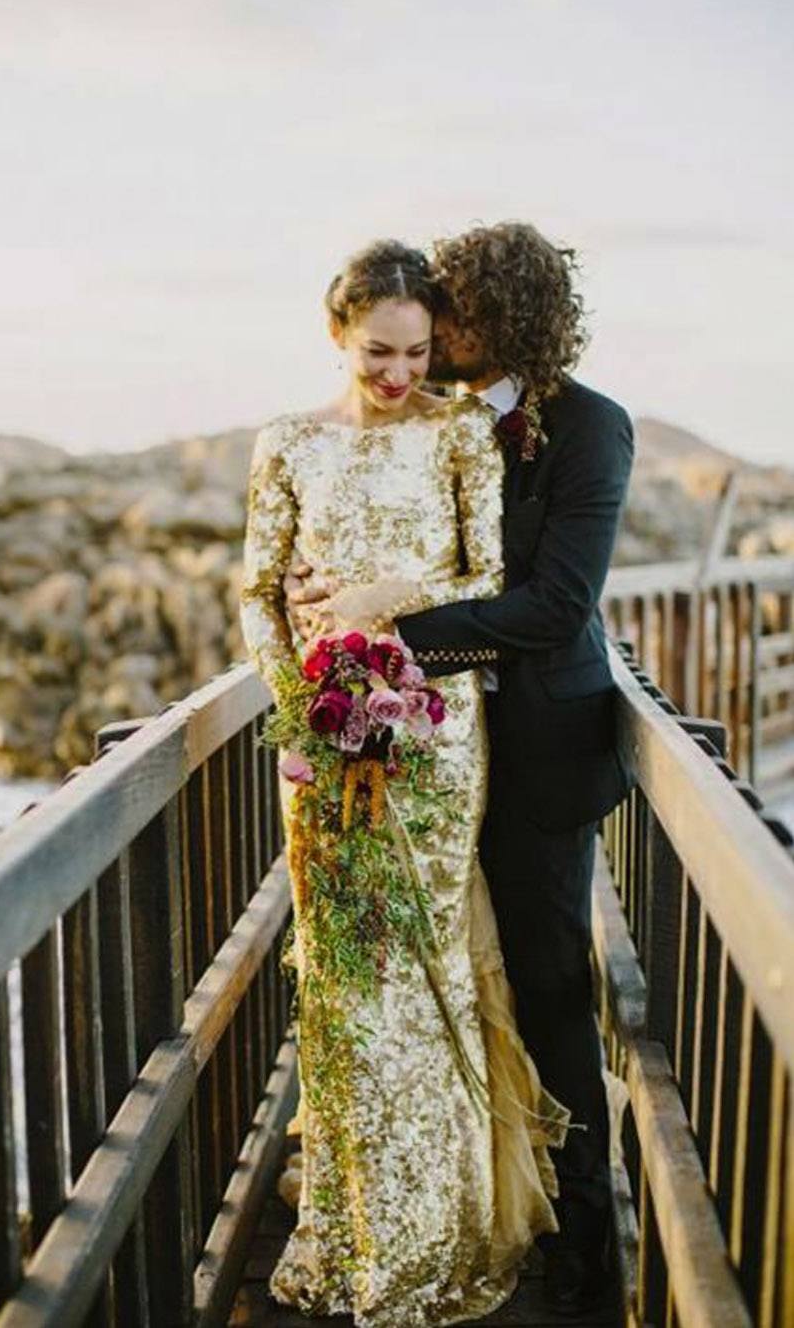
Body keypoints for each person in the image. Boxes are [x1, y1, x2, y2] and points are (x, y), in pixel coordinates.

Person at [294, 222, 635, 1316]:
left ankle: (582, 1245)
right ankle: (453, 1207)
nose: (433, 334)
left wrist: (392, 631)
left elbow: (555, 608)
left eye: (455, 316)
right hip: (426, 761)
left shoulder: (591, 430)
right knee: (435, 985)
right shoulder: (428, 420)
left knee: (544, 989)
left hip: (538, 760)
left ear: (505, 322)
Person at [239, 239, 572, 1328]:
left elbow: (489, 575)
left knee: (423, 969)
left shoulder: (460, 430)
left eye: (418, 352)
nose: (398, 374)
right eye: (379, 352)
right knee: (343, 979)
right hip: (325, 743)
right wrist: (303, 706)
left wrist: (394, 591)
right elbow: (255, 592)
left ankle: (436, 1240)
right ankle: (352, 1232)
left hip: (437, 735)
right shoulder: (286, 443)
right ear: (338, 334)